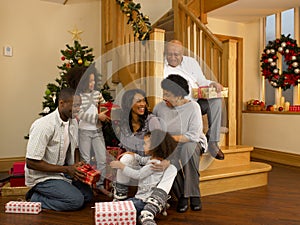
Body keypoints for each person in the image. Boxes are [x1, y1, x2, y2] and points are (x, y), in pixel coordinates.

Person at [25, 87, 94, 211]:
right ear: (62, 103)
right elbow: (31, 163)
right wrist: (67, 169)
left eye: (79, 106)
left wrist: (76, 165)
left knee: (88, 196)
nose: (78, 110)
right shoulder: (44, 126)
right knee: (76, 201)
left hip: (61, 172)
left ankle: (57, 191)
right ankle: (35, 197)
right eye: (75, 106)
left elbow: (75, 148)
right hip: (43, 177)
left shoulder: (73, 122)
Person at [153, 74, 207, 213]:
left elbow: (193, 135)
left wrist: (171, 138)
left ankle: (193, 194)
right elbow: (153, 127)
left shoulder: (193, 107)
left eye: (168, 94)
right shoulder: (160, 107)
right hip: (171, 145)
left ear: (179, 95)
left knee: (188, 149)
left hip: (191, 142)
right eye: (163, 93)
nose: (164, 97)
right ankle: (183, 194)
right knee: (169, 155)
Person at [164, 40, 225, 160]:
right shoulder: (160, 65)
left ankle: (213, 141)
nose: (172, 57)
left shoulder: (191, 62)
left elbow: (201, 81)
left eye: (176, 55)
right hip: (177, 107)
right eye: (169, 54)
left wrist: (212, 83)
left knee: (216, 101)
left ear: (182, 54)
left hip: (195, 102)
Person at [110, 129, 177, 224]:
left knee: (120, 207)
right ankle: (142, 216)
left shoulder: (153, 164)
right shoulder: (153, 160)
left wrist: (121, 166)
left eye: (145, 144)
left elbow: (138, 175)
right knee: (128, 208)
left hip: (142, 200)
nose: (143, 146)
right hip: (142, 199)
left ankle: (146, 217)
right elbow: (142, 160)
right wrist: (134, 155)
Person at [112, 89, 166, 200]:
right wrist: (128, 154)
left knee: (126, 160)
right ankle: (120, 195)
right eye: (138, 101)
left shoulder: (152, 121)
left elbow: (160, 145)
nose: (142, 104)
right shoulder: (125, 124)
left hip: (151, 162)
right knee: (125, 158)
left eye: (144, 101)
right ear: (129, 104)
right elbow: (124, 147)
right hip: (137, 161)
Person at [76, 66, 110, 195]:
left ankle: (100, 185)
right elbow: (80, 114)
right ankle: (87, 187)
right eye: (90, 81)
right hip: (84, 131)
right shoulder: (79, 96)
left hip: (97, 131)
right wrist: (97, 116)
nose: (93, 83)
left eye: (94, 81)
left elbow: (105, 106)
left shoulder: (97, 94)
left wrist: (107, 113)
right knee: (86, 161)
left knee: (102, 159)